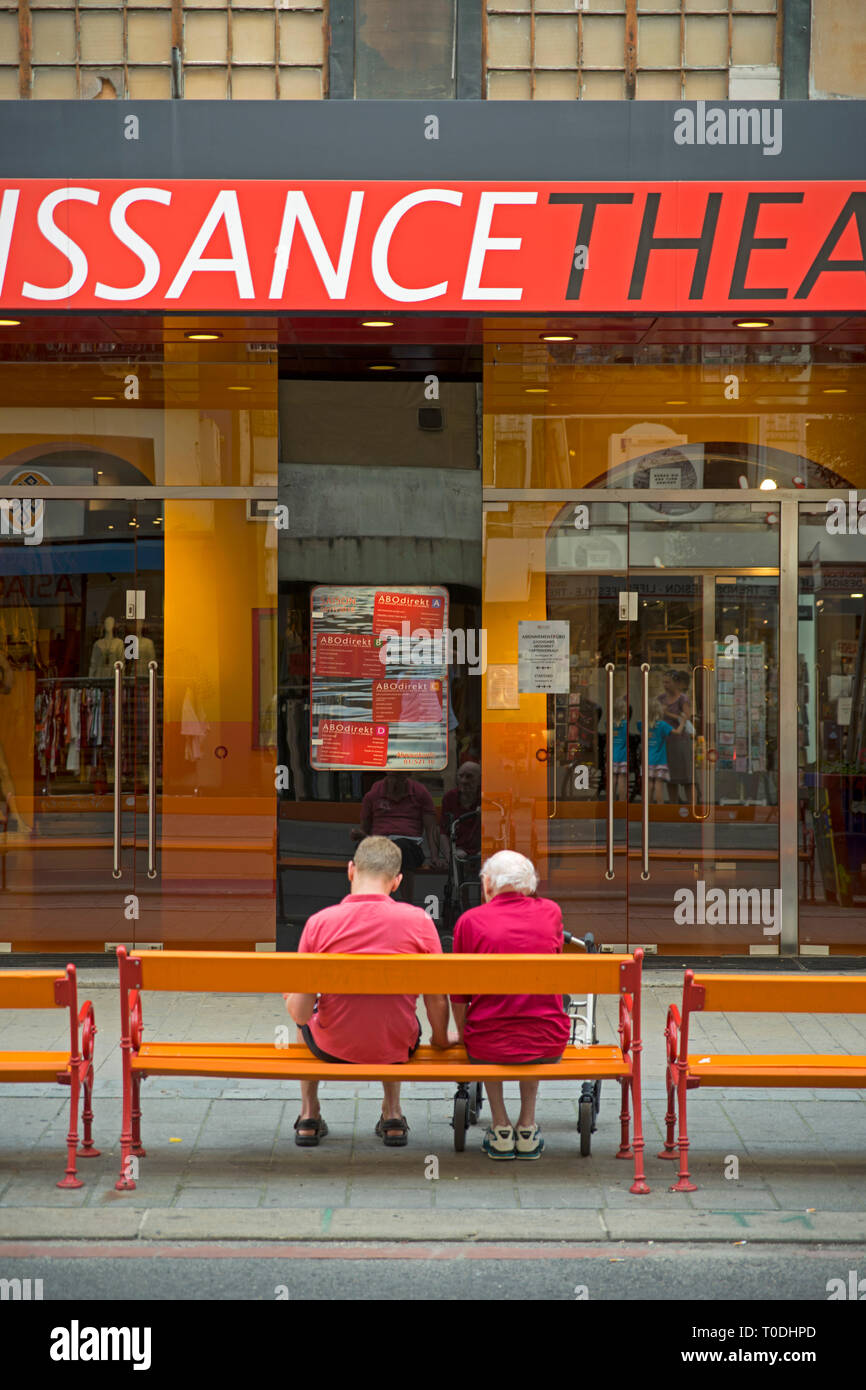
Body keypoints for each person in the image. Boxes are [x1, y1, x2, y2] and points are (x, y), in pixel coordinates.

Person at [284, 835, 454, 1147]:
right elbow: (436, 997)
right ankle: (392, 1113)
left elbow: (300, 1013)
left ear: (351, 870)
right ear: (396, 881)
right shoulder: (419, 921)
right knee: (397, 1013)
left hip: (331, 1047)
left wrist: (290, 994)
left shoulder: (319, 923)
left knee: (303, 1020)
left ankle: (309, 1113)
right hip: (395, 1046)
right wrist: (441, 1039)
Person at [450, 850, 570, 1161]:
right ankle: (527, 1125)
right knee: (532, 1015)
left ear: (487, 883)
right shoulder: (551, 913)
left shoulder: (470, 921)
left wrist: (463, 1032)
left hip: (487, 1043)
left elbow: (459, 994)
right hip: (548, 1041)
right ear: (530, 885)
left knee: (489, 1028)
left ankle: (500, 1126)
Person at [352, 770, 446, 902]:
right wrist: (359, 835)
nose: (394, 782)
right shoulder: (374, 793)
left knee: (402, 848)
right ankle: (370, 902)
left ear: (407, 776)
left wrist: (435, 857)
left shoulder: (419, 792)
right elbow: (364, 829)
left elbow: (431, 828)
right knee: (364, 850)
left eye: (399, 777)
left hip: (409, 846)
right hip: (380, 844)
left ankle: (407, 903)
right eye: (392, 777)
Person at [661, 670, 693, 804]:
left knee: (686, 777)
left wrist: (668, 713)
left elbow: (687, 717)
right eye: (664, 682)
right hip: (666, 742)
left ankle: (693, 807)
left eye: (668, 682)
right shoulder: (661, 698)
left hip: (681, 741)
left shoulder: (682, 699)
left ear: (675, 683)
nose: (665, 685)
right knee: (671, 778)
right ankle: (673, 806)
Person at [440, 760, 481, 859]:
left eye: (469, 776)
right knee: (459, 857)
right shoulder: (450, 797)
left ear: (480, 779)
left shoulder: (487, 798)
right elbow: (443, 832)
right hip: (458, 848)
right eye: (460, 776)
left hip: (481, 847)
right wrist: (448, 856)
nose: (464, 780)